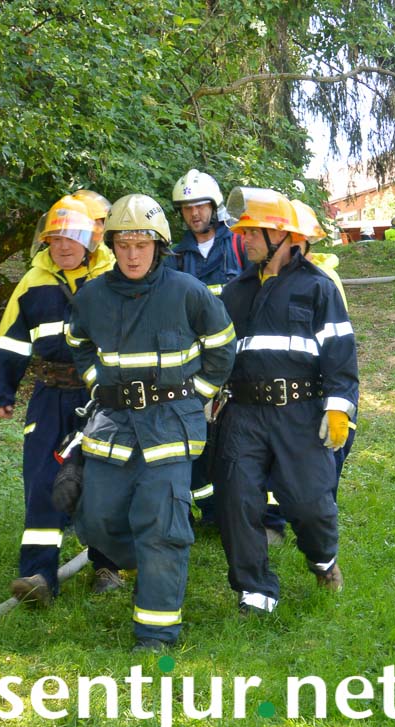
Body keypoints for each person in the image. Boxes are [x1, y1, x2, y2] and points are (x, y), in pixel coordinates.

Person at [66, 193, 236, 650]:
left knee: (161, 525)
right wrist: (95, 383)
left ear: (158, 246)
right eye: (123, 245)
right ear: (112, 246)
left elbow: (223, 345)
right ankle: (148, 557)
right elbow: (77, 341)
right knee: (97, 519)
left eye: (142, 245)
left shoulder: (187, 291)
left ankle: (155, 634)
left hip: (171, 427)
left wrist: (197, 396)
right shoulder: (92, 296)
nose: (132, 255)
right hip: (113, 425)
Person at [213, 187, 359, 615]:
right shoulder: (235, 292)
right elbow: (219, 352)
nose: (244, 239)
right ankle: (255, 591)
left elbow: (340, 353)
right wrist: (210, 391)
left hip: (300, 413)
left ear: (281, 236)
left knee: (309, 504)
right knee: (237, 500)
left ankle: (323, 559)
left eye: (253, 232)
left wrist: (338, 407)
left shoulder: (318, 287)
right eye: (243, 232)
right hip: (243, 414)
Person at [0, 192, 123, 607]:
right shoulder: (33, 282)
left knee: (102, 478)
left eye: (72, 238)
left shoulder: (113, 276)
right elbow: (10, 342)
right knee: (43, 481)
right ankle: (38, 576)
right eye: (56, 239)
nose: (63, 246)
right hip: (49, 397)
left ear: (90, 240)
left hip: (100, 395)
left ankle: (107, 566)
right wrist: (2, 391)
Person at [164, 168, 248, 522]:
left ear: (214, 207)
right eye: (187, 208)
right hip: (195, 365)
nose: (194, 213)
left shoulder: (240, 245)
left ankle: (243, 511)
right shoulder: (173, 257)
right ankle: (207, 510)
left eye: (200, 206)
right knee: (196, 438)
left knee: (237, 440)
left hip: (239, 361)